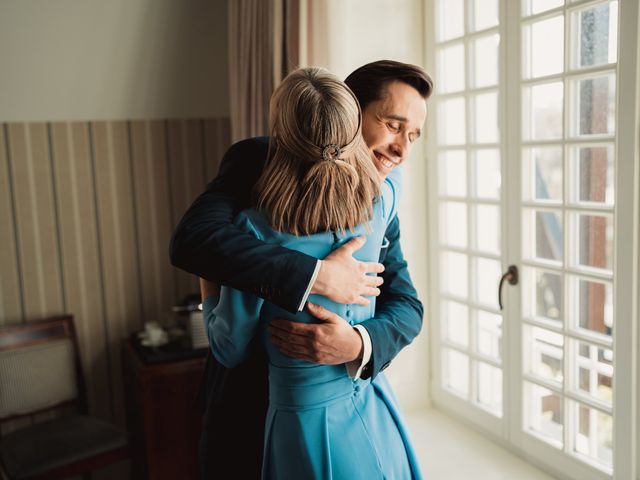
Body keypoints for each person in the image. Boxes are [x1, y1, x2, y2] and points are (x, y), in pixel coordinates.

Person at [170, 59, 432, 478]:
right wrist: (315, 276)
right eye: (393, 125)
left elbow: (406, 306)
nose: (402, 149)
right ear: (350, 110)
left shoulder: (383, 196)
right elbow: (193, 240)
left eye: (414, 135)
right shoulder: (255, 161)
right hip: (243, 416)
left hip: (354, 393)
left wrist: (357, 345)